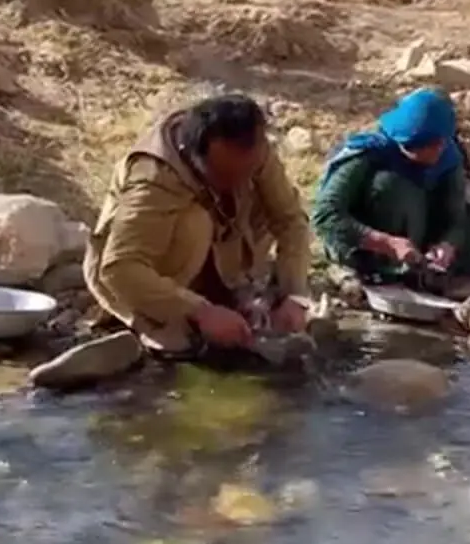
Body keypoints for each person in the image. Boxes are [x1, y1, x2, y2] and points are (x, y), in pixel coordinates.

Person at [83, 94, 313, 366]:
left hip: (217, 257)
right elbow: (119, 269)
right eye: (225, 176)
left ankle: (233, 294)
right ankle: (166, 322)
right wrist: (200, 311)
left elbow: (290, 221)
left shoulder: (253, 151)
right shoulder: (154, 177)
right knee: (195, 223)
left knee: (270, 201)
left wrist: (294, 295)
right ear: (195, 156)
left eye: (246, 171)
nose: (237, 182)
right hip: (148, 274)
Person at [311, 88, 470, 294]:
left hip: (420, 238)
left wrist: (448, 244)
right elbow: (325, 215)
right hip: (372, 242)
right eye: (428, 146)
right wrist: (387, 243)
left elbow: (456, 218)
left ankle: (430, 274)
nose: (437, 151)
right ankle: (377, 271)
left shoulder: (449, 158)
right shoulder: (369, 151)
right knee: (392, 184)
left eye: (440, 143)